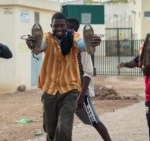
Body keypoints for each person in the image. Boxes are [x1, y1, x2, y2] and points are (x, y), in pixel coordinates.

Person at [25, 12, 100, 141]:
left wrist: (89, 45)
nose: (59, 28)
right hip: (50, 90)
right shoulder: (47, 37)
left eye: (62, 25)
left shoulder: (74, 36)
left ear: (66, 25)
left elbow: (80, 44)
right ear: (51, 25)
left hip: (69, 91)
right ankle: (51, 136)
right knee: (50, 130)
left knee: (64, 127)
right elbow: (42, 45)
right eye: (56, 26)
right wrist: (35, 45)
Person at [66, 18, 112, 141]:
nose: (69, 30)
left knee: (94, 120)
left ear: (76, 30)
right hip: (65, 91)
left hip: (79, 92)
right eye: (67, 27)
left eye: (72, 28)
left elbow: (88, 73)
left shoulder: (82, 47)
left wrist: (81, 96)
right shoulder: (61, 45)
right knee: (64, 124)